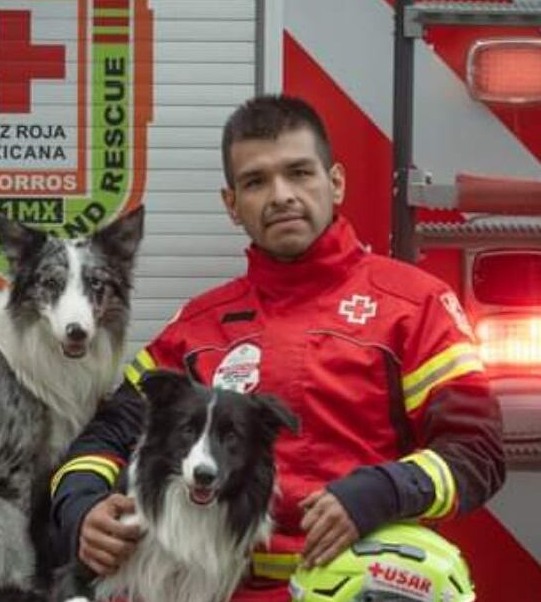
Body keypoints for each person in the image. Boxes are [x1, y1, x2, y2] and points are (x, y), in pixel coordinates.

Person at [49, 95, 505, 600]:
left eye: (299, 173)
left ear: (335, 182)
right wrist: (81, 507)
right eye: (256, 181)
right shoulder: (197, 329)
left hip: (358, 585)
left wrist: (379, 492)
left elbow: (476, 452)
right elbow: (105, 436)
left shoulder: (414, 306)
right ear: (232, 204)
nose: (281, 195)